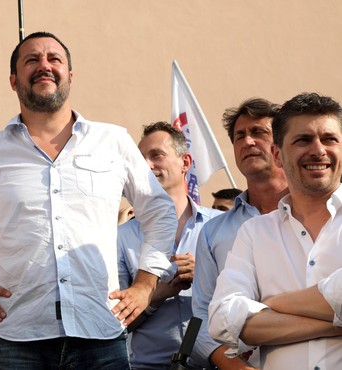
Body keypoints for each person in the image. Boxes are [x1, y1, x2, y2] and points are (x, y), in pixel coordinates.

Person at [0, 31, 177, 369]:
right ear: (13, 81)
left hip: (100, 334)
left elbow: (159, 211)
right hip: (17, 339)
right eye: (32, 60)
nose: (44, 66)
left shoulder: (113, 141)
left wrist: (145, 284)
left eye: (54, 59)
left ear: (70, 76)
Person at [209, 92, 342, 369]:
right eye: (303, 140)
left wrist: (269, 305)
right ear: (278, 155)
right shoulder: (254, 233)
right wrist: (333, 324)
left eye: (329, 139)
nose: (318, 150)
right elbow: (223, 318)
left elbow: (240, 320)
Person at [191, 97, 288, 370]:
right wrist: (233, 365)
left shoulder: (317, 215)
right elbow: (200, 315)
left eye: (258, 132)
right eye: (239, 136)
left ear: (281, 144)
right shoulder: (213, 232)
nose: (247, 142)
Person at [118, 122, 221, 369]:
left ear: (185, 163)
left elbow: (251, 300)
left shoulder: (220, 225)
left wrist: (207, 277)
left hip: (216, 364)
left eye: (157, 156)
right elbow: (116, 323)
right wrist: (154, 295)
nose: (147, 165)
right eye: (141, 159)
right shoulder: (121, 237)